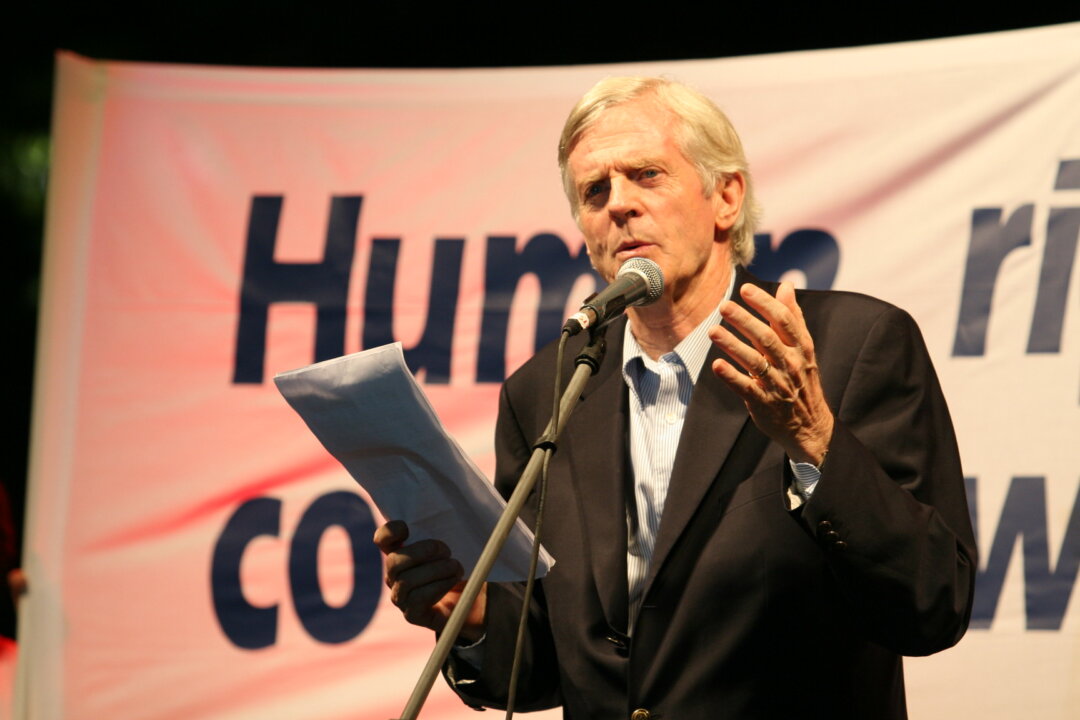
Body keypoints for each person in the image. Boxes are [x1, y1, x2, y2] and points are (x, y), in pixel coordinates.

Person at [375, 76, 976, 719]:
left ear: (726, 197)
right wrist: (472, 618)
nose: (619, 205)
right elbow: (543, 666)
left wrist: (816, 441)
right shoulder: (546, 394)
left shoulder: (848, 348)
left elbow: (932, 601)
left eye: (647, 175)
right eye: (594, 191)